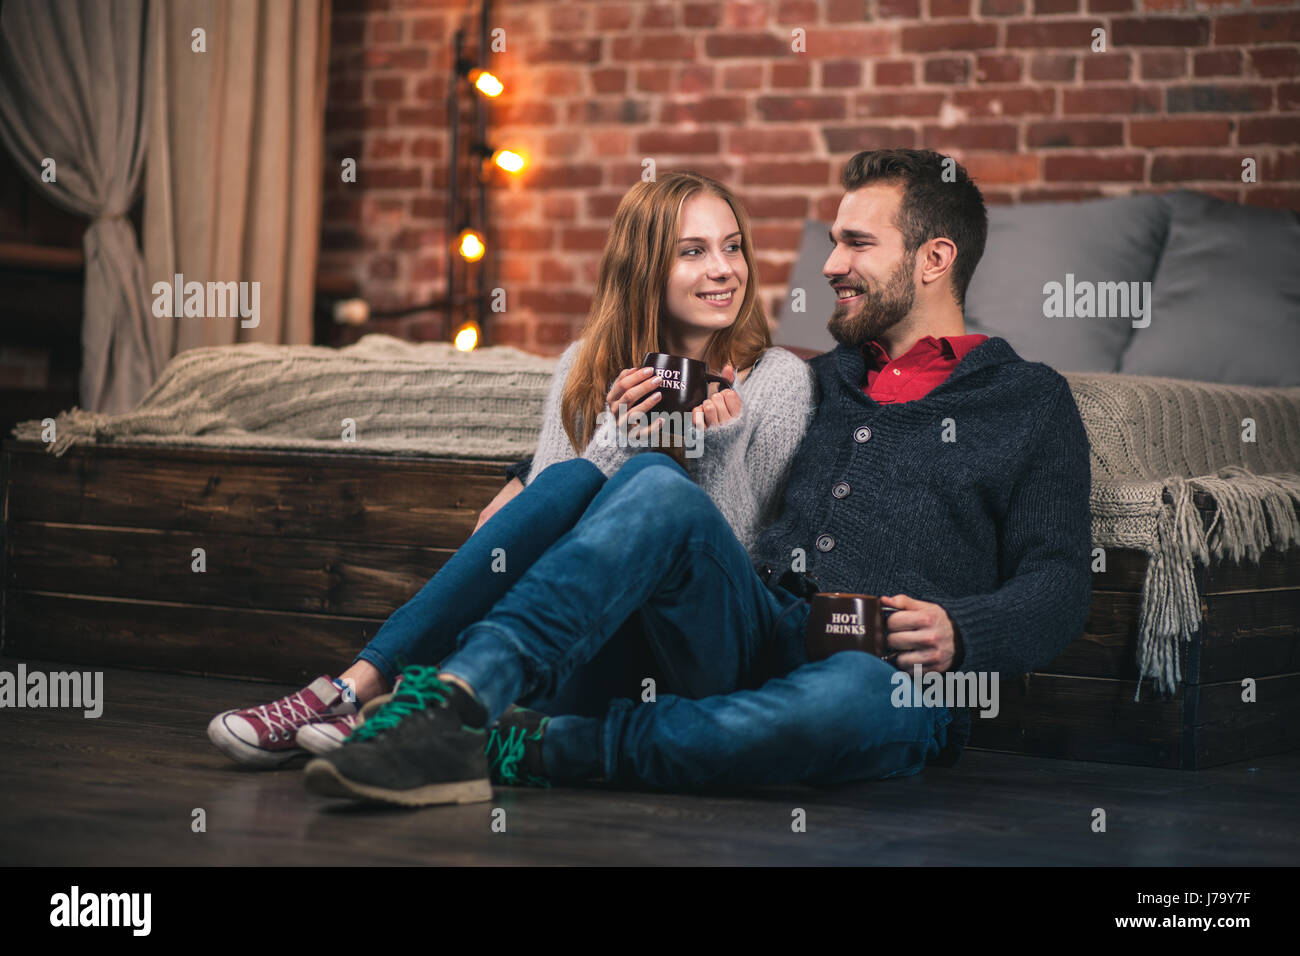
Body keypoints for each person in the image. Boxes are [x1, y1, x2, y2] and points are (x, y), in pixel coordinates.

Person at [302, 148, 1094, 806]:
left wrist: (966, 632)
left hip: (888, 670)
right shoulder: (827, 377)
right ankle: (457, 700)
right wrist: (544, 469)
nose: (828, 265)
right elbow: (675, 457)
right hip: (757, 628)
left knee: (853, 699)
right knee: (653, 485)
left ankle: (533, 744)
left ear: (934, 259)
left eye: (855, 244)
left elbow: (1060, 583)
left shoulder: (1027, 402)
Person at [206, 171, 815, 769]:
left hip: (688, 662)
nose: (724, 269)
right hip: (578, 648)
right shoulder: (587, 365)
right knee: (573, 479)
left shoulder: (777, 380)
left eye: (732, 247)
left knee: (628, 488)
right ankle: (353, 692)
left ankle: (382, 702)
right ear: (646, 268)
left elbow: (745, 561)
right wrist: (617, 438)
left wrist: (718, 445)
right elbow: (546, 534)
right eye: (693, 252)